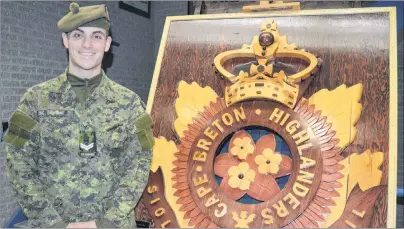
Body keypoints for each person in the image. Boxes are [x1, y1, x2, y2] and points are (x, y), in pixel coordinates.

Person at [4, 2, 154, 228]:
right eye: (77, 35)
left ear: (107, 44)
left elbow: (138, 168)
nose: (87, 44)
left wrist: (105, 223)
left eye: (96, 36)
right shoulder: (35, 100)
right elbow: (18, 165)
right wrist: (55, 223)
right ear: (65, 40)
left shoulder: (130, 104)